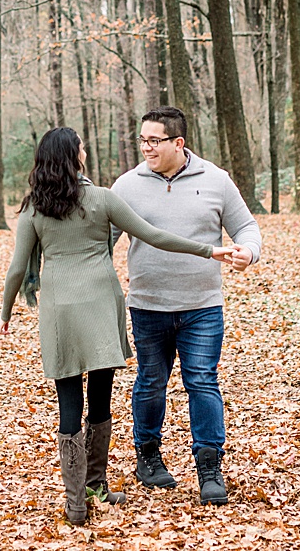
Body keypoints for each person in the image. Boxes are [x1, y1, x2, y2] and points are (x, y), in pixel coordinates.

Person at [0, 127, 243, 525]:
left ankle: (77, 500)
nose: (85, 152)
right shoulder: (102, 199)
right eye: (81, 148)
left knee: (68, 402)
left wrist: (5, 313)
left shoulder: (34, 208)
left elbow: (15, 270)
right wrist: (208, 250)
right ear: (73, 157)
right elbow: (153, 235)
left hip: (59, 310)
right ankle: (95, 483)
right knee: (100, 396)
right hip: (100, 304)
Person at [112, 106, 263, 507]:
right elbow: (100, 240)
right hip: (147, 304)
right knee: (150, 382)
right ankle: (148, 457)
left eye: (154, 140)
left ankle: (209, 467)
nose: (146, 147)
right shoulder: (125, 187)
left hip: (202, 305)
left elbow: (246, 227)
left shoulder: (216, 180)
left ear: (179, 143)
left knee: (202, 381)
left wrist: (249, 251)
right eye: (142, 139)